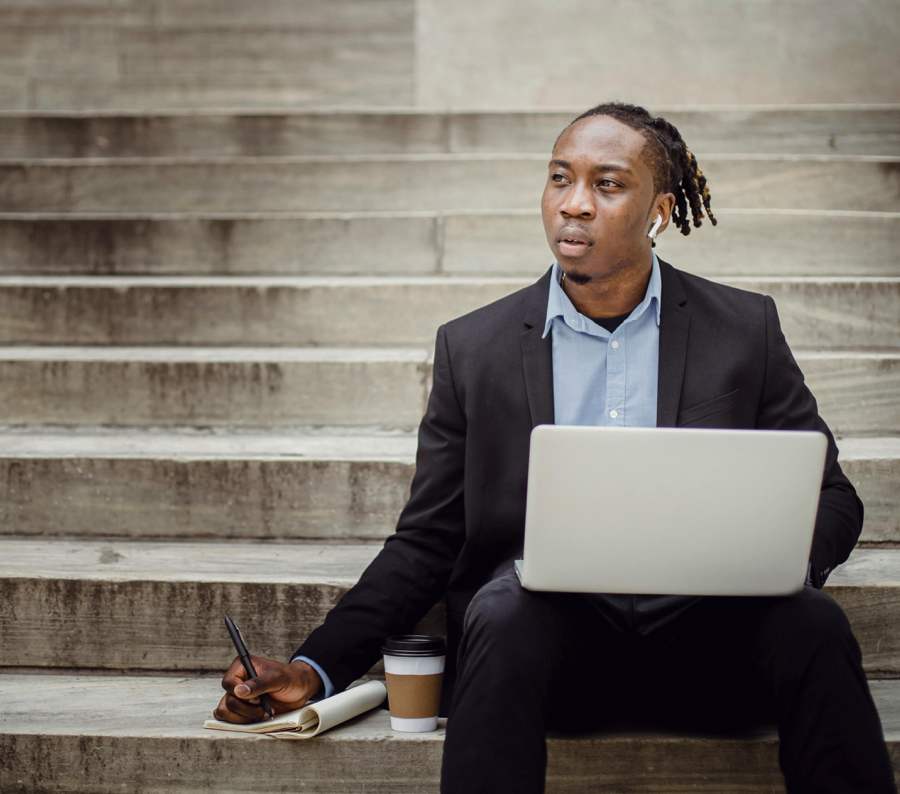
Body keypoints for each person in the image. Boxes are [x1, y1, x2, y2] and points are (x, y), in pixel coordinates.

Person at [214, 102, 896, 793]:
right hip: (545, 660)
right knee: (504, 606)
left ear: (659, 211)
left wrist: (778, 565)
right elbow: (427, 540)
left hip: (712, 652)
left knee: (812, 622)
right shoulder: (473, 348)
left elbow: (833, 497)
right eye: (559, 179)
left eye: (607, 184)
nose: (574, 205)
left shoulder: (743, 330)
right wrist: (314, 667)